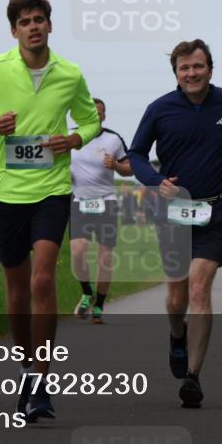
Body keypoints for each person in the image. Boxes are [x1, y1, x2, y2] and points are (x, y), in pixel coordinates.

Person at [0, 0, 101, 421]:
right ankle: (26, 370)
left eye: (40, 19)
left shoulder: (69, 74)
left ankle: (41, 381)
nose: (33, 26)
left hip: (52, 191)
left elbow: (90, 121)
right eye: (25, 21)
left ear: (50, 25)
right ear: (14, 30)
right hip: (5, 193)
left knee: (41, 281)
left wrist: (72, 139)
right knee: (16, 292)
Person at [128, 39, 222, 408]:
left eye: (198, 66)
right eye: (184, 68)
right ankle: (176, 335)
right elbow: (136, 153)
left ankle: (193, 376)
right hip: (173, 211)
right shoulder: (160, 109)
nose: (192, 73)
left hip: (216, 211)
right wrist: (155, 181)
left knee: (200, 289)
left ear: (210, 69)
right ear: (176, 73)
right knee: (177, 297)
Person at [70, 98, 133, 324]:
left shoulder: (113, 139)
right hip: (80, 201)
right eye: (91, 112)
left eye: (100, 113)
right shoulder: (70, 136)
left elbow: (129, 170)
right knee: (78, 251)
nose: (96, 116)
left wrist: (116, 166)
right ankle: (87, 292)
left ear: (104, 116)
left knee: (105, 258)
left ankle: (99, 305)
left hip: (107, 202)